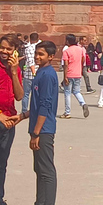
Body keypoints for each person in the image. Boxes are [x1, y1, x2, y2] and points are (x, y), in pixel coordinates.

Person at [11, 40, 59, 205]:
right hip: (39, 126)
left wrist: (36, 133)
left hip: (43, 129)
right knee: (39, 168)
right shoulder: (41, 72)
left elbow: (45, 106)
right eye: (36, 53)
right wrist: (23, 116)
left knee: (46, 170)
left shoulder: (47, 75)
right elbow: (38, 105)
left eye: (41, 54)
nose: (37, 57)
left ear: (51, 57)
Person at [0, 34, 23, 204]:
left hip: (9, 121)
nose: (4, 51)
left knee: (2, 163)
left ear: (15, 51)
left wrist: (14, 72)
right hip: (1, 117)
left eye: (9, 49)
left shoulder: (14, 69)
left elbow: (19, 96)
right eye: (2, 48)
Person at [60, 34, 89, 120]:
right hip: (77, 73)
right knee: (76, 91)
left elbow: (65, 65)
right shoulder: (80, 49)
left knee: (67, 93)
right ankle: (83, 103)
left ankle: (67, 112)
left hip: (69, 74)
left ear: (68, 41)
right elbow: (83, 59)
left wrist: (65, 77)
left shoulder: (67, 51)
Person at [21, 32, 39, 114]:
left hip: (29, 74)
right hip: (37, 73)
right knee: (36, 94)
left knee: (26, 94)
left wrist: (33, 73)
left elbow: (31, 62)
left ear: (30, 39)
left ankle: (24, 110)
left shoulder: (28, 48)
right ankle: (35, 109)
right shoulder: (39, 48)